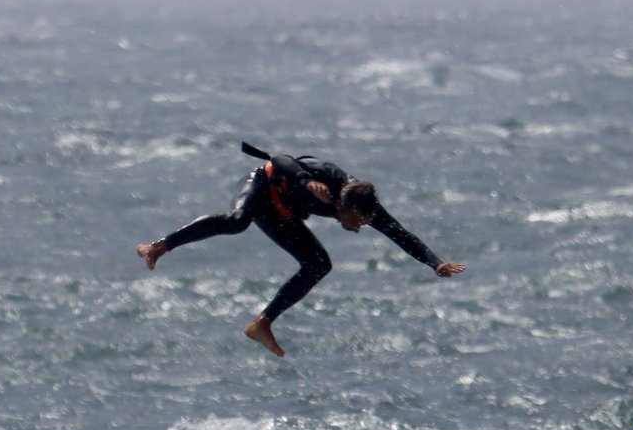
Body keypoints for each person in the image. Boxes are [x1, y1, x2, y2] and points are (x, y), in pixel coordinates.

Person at [138, 144, 464, 356]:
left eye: (364, 222)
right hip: (263, 187)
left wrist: (434, 263)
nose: (360, 226)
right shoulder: (332, 179)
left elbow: (400, 234)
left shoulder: (364, 206)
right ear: (342, 204)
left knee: (318, 264)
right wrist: (307, 182)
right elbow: (280, 160)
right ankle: (159, 246)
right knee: (237, 221)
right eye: (356, 221)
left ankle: (262, 323)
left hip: (282, 213)